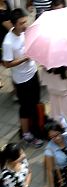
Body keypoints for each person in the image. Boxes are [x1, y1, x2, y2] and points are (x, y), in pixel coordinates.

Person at [2, 9, 42, 145]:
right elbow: (7, 64)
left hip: (33, 73)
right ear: (14, 24)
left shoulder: (25, 32)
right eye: (21, 23)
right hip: (21, 80)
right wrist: (25, 59)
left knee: (35, 102)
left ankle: (35, 126)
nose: (25, 25)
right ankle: (26, 134)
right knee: (26, 107)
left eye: (25, 21)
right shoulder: (8, 42)